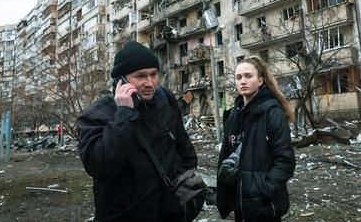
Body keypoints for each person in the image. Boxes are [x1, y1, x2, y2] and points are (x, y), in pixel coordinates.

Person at [77, 41, 198, 221]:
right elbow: (100, 166)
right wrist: (125, 113)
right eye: (140, 76)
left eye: (153, 74)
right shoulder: (96, 116)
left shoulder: (164, 100)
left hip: (169, 213)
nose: (149, 83)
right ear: (121, 80)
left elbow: (185, 149)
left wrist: (184, 186)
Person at [216, 56, 296, 222]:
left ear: (260, 81)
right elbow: (227, 155)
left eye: (248, 76)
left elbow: (285, 161)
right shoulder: (233, 115)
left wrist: (263, 190)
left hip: (265, 205)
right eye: (238, 77)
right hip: (240, 205)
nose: (242, 81)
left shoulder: (272, 113)